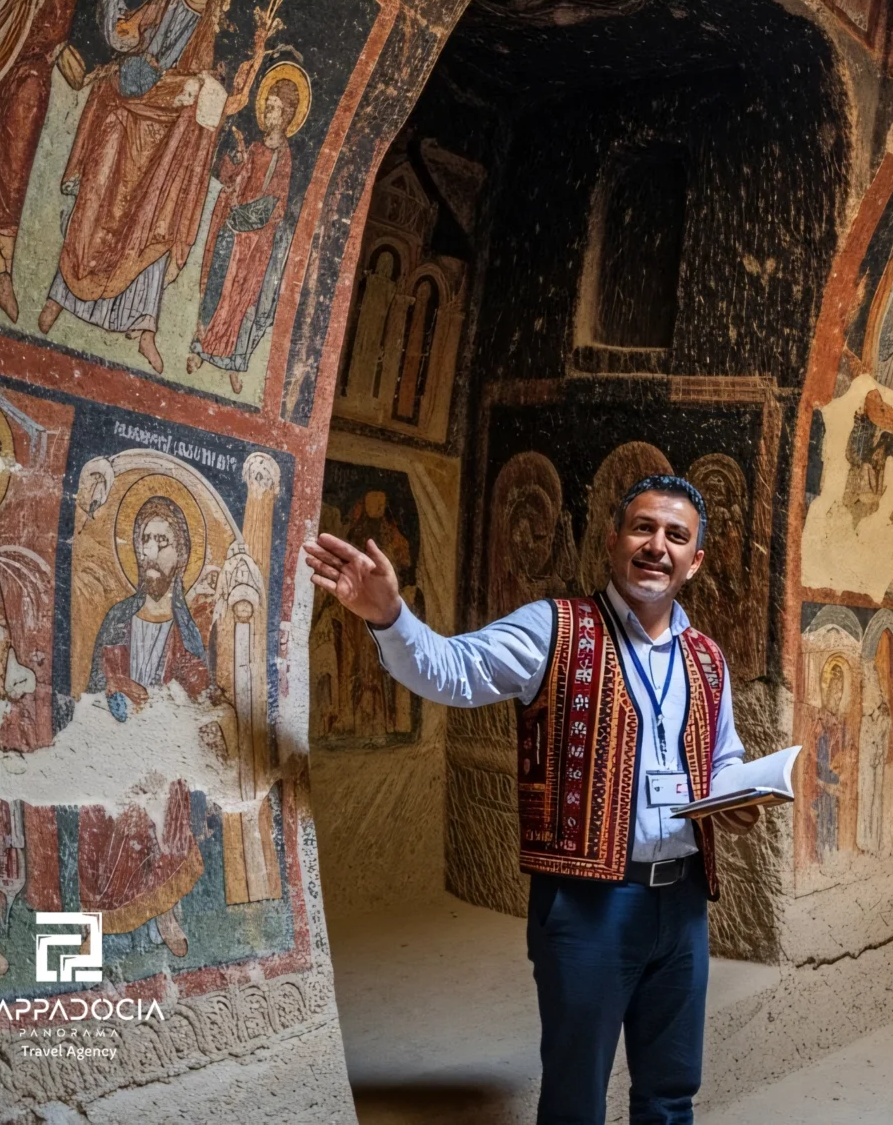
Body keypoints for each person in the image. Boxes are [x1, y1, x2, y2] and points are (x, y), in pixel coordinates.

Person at [304, 474, 761, 1125]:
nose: (657, 545)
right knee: (576, 1098)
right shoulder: (555, 628)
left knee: (671, 1092)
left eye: (676, 535)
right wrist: (390, 615)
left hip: (683, 906)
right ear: (612, 541)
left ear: (696, 560)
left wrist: (738, 797)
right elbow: (450, 671)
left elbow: (723, 758)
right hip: (588, 906)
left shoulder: (708, 659)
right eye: (643, 528)